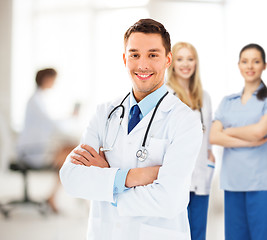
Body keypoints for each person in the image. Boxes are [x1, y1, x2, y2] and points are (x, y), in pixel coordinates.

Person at [60, 19, 203, 240]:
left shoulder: (185, 121)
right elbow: (71, 179)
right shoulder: (103, 113)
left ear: (168, 60)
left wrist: (106, 182)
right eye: (135, 55)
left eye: (153, 55)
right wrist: (137, 176)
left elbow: (169, 200)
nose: (142, 65)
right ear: (125, 59)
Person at [210, 43, 267, 240]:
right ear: (239, 65)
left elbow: (260, 131)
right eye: (245, 61)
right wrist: (249, 141)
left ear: (264, 66)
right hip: (233, 182)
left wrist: (230, 131)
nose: (250, 66)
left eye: (256, 61)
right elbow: (213, 136)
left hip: (260, 183)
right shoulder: (228, 102)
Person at [167, 42, 215, 240]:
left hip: (201, 172)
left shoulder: (204, 96)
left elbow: (209, 132)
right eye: (180, 59)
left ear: (196, 63)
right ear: (172, 63)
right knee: (176, 232)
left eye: (190, 59)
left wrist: (210, 155)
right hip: (177, 174)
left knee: (198, 231)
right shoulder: (166, 94)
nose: (185, 64)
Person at [17, 68, 77, 212]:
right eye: (53, 79)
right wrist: (70, 117)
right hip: (32, 151)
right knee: (72, 154)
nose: (54, 83)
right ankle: (53, 196)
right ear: (46, 79)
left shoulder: (38, 99)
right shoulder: (35, 101)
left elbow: (49, 124)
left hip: (37, 147)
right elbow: (52, 125)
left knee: (71, 154)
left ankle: (53, 196)